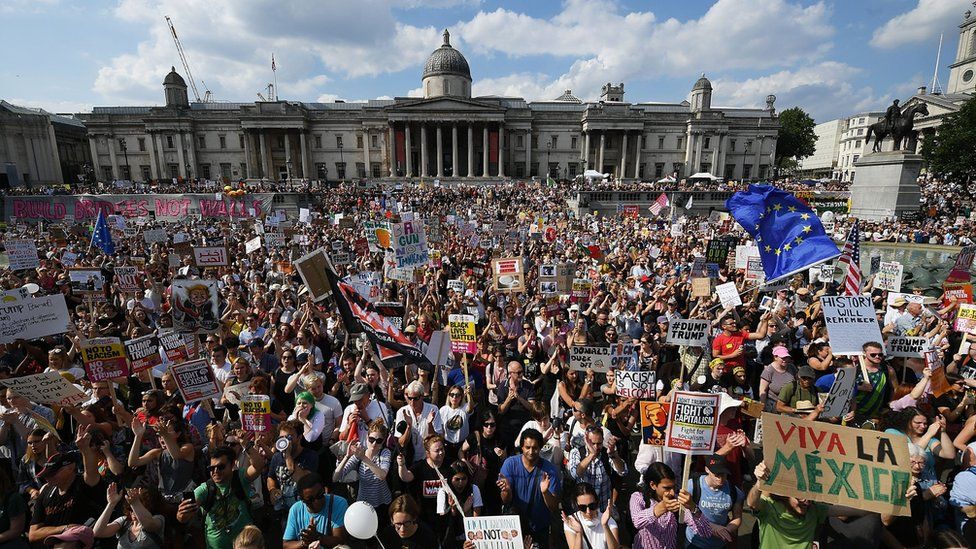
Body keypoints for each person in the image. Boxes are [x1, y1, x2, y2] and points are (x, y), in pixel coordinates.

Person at [176, 445, 267, 549]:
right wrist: (182, 513)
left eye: (220, 467)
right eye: (211, 468)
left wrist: (247, 444)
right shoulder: (205, 489)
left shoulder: (240, 478)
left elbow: (259, 465)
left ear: (232, 464)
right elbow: (183, 518)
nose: (215, 471)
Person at [497, 429, 561, 547]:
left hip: (539, 528)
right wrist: (506, 490)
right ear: (521, 447)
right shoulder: (510, 464)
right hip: (515, 527)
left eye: (535, 448)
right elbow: (505, 500)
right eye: (527, 447)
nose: (531, 451)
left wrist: (545, 492)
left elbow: (553, 507)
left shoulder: (550, 470)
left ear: (541, 448)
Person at [28, 450, 103, 545]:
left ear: (70, 467)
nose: (48, 478)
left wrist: (85, 448)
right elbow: (33, 534)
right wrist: (65, 528)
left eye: (53, 473)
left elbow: (91, 472)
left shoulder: (85, 484)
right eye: (46, 474)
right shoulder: (46, 492)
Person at [630, 462, 711, 549]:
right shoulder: (639, 498)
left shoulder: (677, 501)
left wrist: (693, 508)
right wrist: (662, 507)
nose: (672, 492)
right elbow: (637, 522)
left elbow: (706, 532)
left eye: (674, 487)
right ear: (653, 485)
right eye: (667, 488)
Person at [685, 455, 743, 549]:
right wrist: (712, 528)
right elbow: (685, 514)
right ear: (707, 470)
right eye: (717, 474)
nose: (720, 478)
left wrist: (726, 530)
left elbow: (737, 518)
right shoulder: (692, 486)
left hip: (719, 544)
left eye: (723, 474)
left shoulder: (734, 491)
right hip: (695, 542)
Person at [281, 473, 348, 549]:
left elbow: (340, 541)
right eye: (310, 499)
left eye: (319, 495)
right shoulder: (295, 509)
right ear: (302, 500)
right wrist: (305, 542)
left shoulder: (338, 503)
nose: (317, 501)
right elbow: (286, 545)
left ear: (324, 490)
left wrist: (317, 537)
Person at [92, 483, 165, 549]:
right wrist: (111, 504)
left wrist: (135, 503)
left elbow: (149, 525)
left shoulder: (158, 519)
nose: (133, 511)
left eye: (137, 505)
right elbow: (97, 532)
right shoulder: (124, 521)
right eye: (130, 506)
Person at [563, 482, 620, 549]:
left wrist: (605, 526)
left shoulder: (608, 520)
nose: (588, 511)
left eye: (592, 506)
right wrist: (579, 533)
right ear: (576, 505)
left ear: (597, 501)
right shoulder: (571, 522)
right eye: (582, 507)